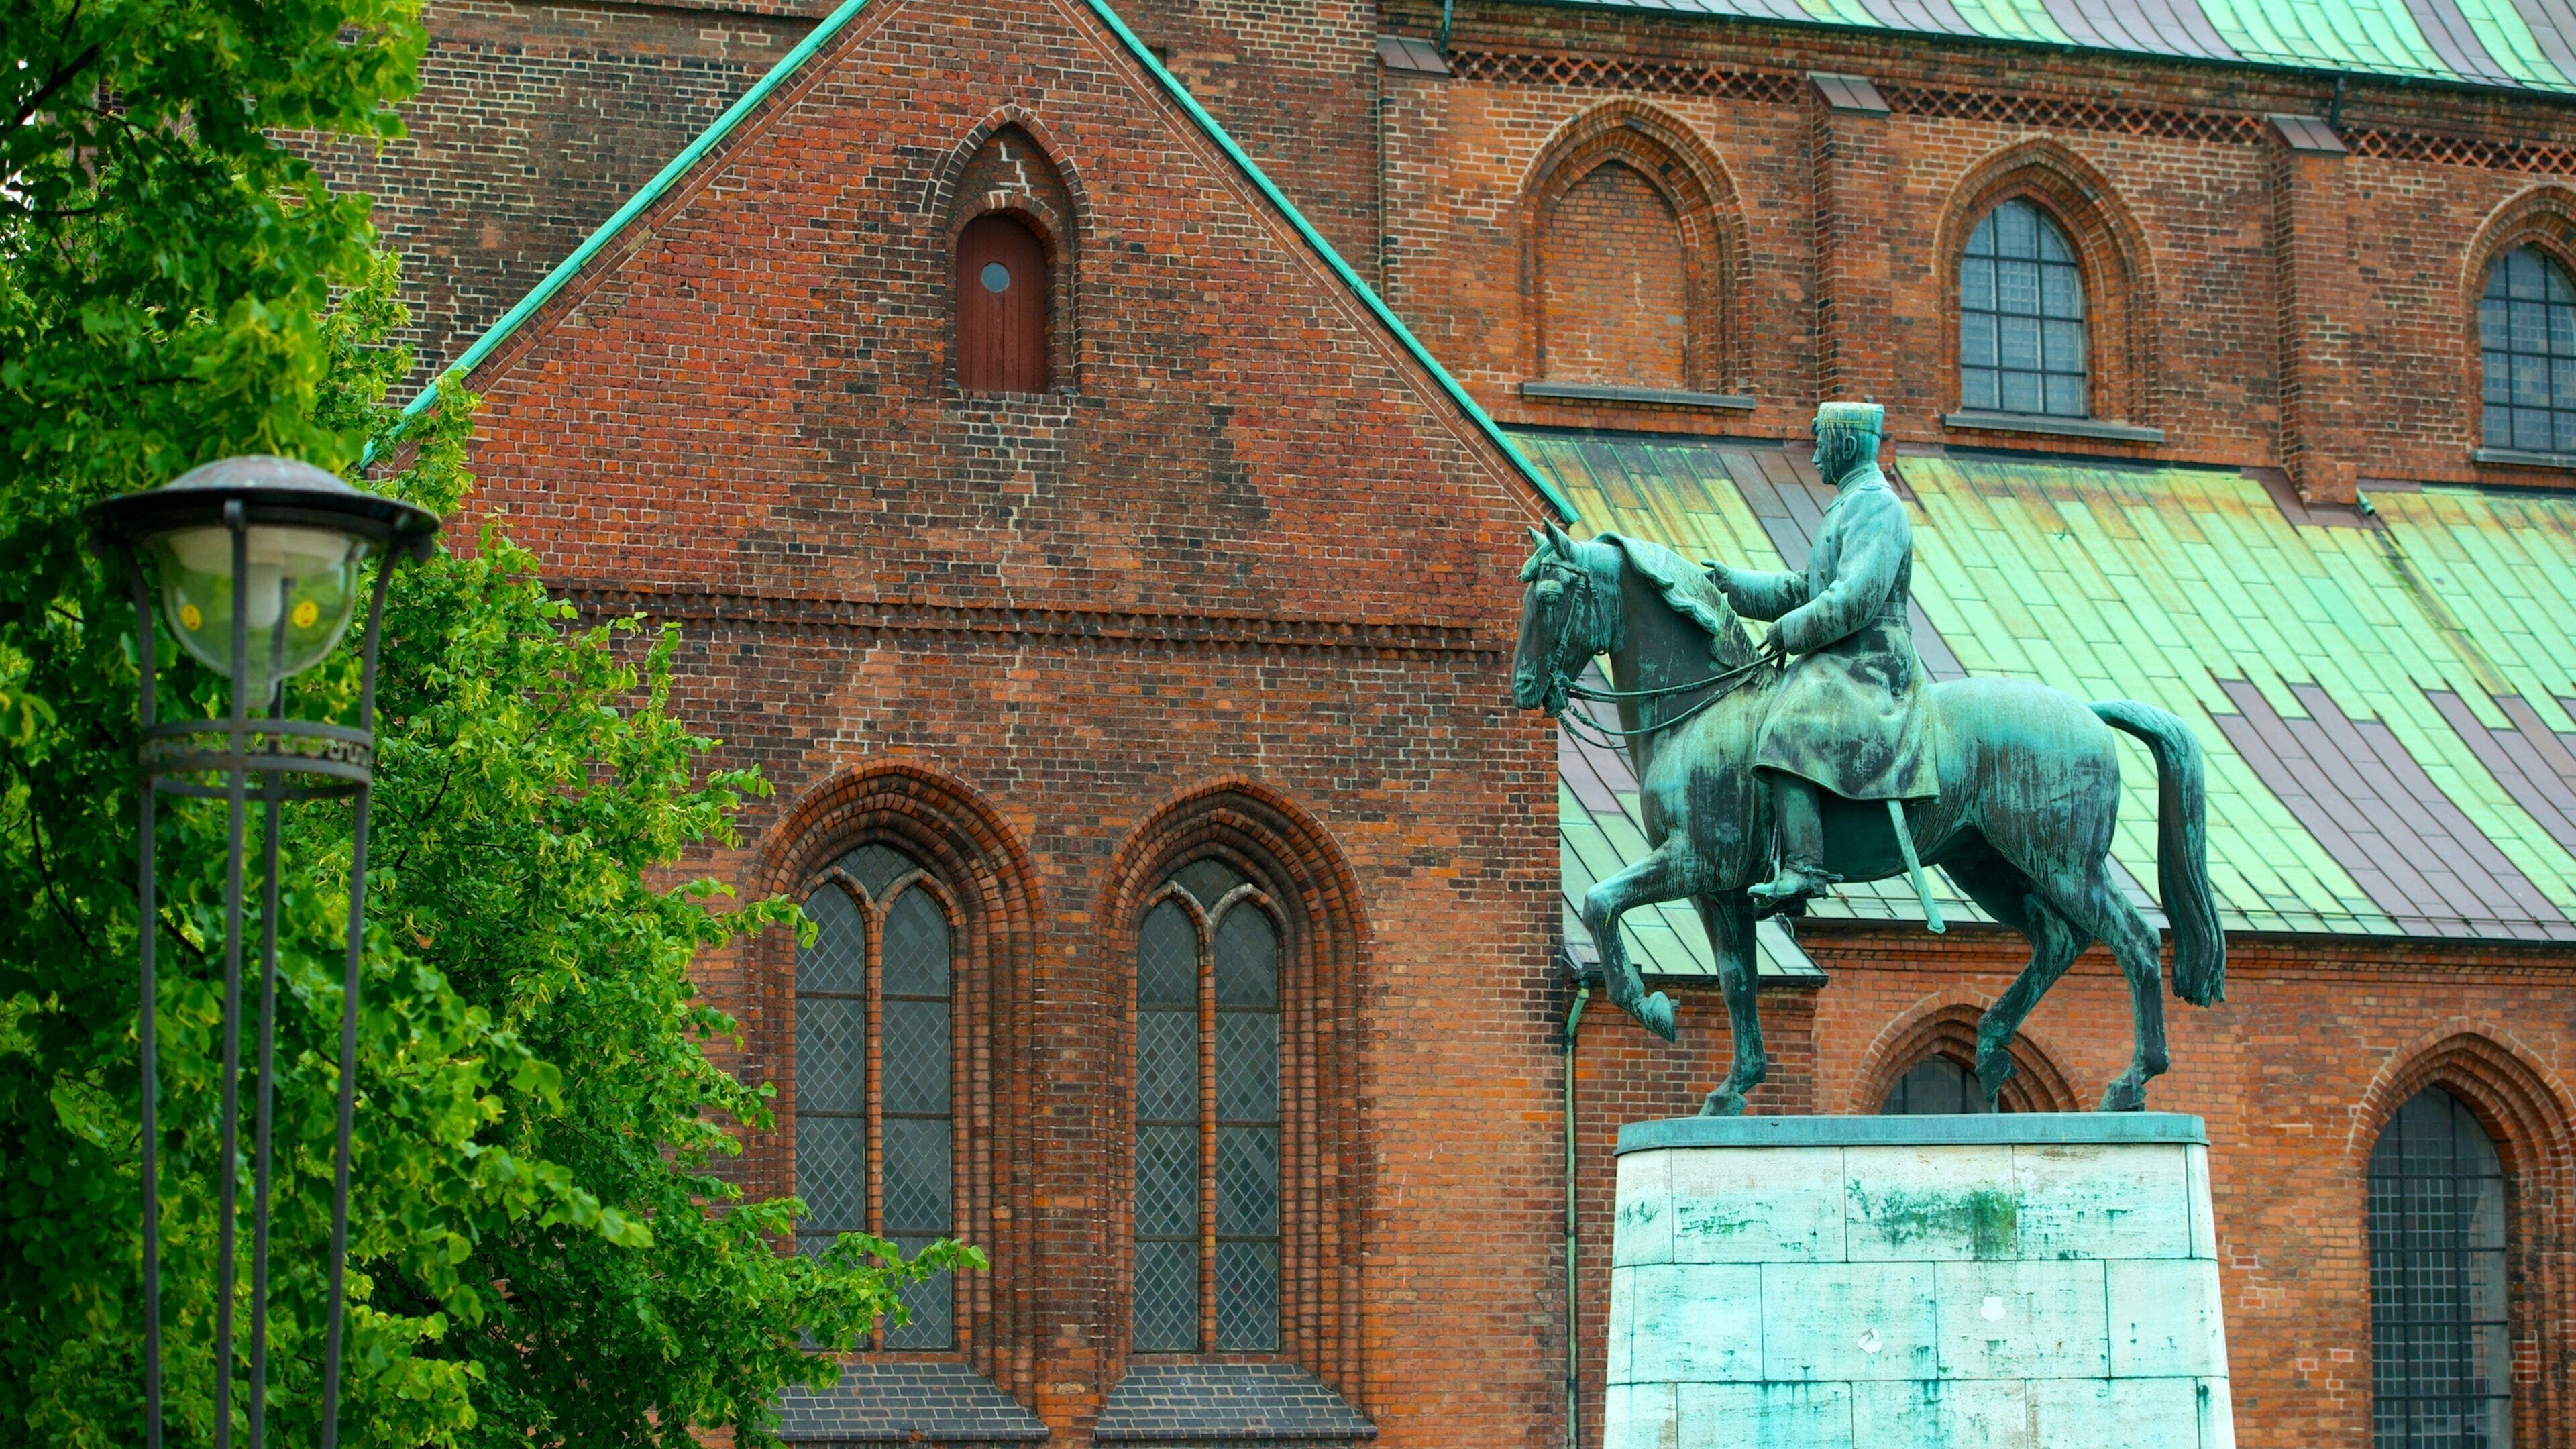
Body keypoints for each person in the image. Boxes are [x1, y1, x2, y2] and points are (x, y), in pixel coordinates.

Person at [1707, 401, 1938, 914]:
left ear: (1848, 444)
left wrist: (1789, 632)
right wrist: (1732, 585)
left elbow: (1854, 598)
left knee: (1791, 721)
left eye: (1820, 443)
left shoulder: (1877, 505)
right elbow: (1802, 588)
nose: (1814, 457)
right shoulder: (1849, 504)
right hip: (1843, 655)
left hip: (1871, 661)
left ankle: (1804, 868)